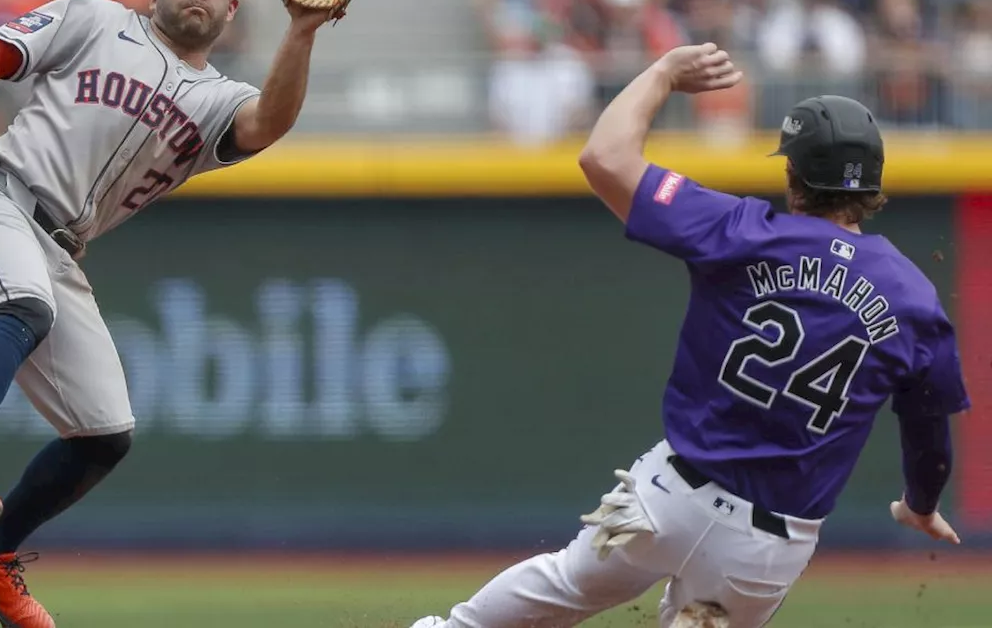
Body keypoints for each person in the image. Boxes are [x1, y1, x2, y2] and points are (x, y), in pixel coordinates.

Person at [409, 43, 970, 628]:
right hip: (766, 547)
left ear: (793, 174)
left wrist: (661, 73)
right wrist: (922, 505)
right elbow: (929, 432)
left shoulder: (741, 229)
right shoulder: (912, 298)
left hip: (667, 497)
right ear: (873, 185)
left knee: (566, 582)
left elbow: (604, 157)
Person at [0, 0, 334, 628]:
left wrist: (305, 30)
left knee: (104, 434)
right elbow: (2, 47)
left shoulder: (218, 97)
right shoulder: (98, 20)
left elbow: (269, 121)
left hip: (61, 250)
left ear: (230, 10)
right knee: (23, 308)